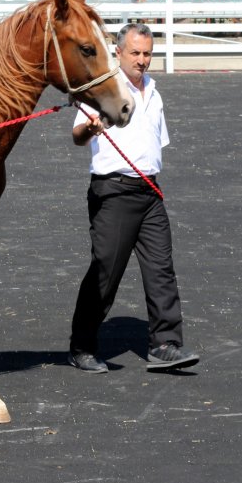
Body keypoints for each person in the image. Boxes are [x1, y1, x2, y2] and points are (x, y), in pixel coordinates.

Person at [68, 23, 200, 374]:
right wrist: (92, 127)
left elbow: (157, 143)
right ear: (119, 52)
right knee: (105, 272)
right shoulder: (103, 90)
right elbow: (78, 135)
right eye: (135, 53)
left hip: (150, 191)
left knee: (161, 270)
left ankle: (164, 344)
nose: (142, 60)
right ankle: (81, 345)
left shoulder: (155, 93)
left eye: (147, 54)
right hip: (113, 191)